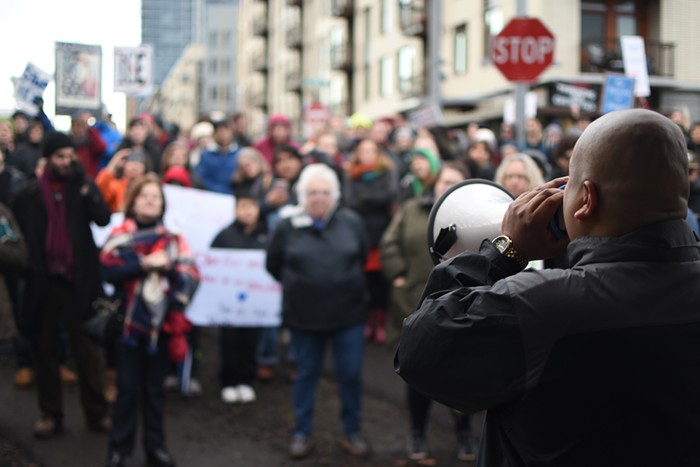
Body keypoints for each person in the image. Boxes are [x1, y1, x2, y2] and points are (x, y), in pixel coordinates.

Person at [395, 108, 700, 467]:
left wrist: (506, 250)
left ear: (586, 199)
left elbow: (421, 351)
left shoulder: (542, 306)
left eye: (568, 183)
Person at [266, 163, 371, 460]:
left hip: (348, 316)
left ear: (335, 195)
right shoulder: (287, 226)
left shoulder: (351, 222)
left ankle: (352, 432)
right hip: (303, 317)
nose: (319, 198)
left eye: (325, 192)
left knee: (350, 375)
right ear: (302, 195)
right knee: (305, 375)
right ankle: (301, 432)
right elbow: (273, 264)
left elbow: (362, 256)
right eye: (313, 192)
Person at [12, 131, 111, 439]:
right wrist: (28, 267)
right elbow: (20, 234)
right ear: (48, 158)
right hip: (44, 282)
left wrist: (87, 188)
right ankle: (50, 414)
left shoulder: (81, 188)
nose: (67, 162)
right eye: (61, 157)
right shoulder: (28, 194)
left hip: (79, 281)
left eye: (71, 156)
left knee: (88, 350)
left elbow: (104, 218)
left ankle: (97, 413)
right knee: (45, 350)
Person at [100, 174, 200, 467]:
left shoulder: (173, 239)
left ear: (162, 204)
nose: (150, 201)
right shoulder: (119, 235)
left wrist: (167, 268)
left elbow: (191, 277)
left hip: (161, 326)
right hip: (128, 325)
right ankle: (119, 449)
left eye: (155, 197)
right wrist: (143, 264)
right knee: (127, 389)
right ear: (133, 201)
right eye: (144, 196)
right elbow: (107, 271)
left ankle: (155, 448)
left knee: (155, 391)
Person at [380, 160, 477, 462]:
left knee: (460, 378)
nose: (445, 186)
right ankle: (417, 433)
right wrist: (399, 275)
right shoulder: (412, 210)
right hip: (415, 303)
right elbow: (389, 243)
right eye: (442, 181)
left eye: (453, 181)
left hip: (462, 309)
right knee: (418, 374)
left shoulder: (476, 218)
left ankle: (463, 433)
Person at [211, 193, 267, 404]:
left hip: (256, 301)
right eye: (243, 207)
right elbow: (212, 263)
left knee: (251, 341)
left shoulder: (265, 235)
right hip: (229, 301)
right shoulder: (225, 235)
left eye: (252, 206)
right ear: (236, 210)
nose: (248, 211)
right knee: (230, 341)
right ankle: (228, 381)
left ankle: (246, 380)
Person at [344, 138, 399, 343]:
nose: (367, 154)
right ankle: (367, 321)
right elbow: (350, 201)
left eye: (371, 150)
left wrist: (364, 197)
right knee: (364, 281)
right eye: (363, 150)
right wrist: (373, 198)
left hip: (382, 234)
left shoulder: (387, 171)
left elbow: (388, 195)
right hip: (360, 234)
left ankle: (381, 322)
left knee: (381, 281)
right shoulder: (351, 173)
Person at [95, 148, 149, 213]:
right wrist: (113, 163)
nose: (135, 165)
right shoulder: (116, 186)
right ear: (124, 165)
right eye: (132, 162)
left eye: (139, 163)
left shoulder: (148, 188)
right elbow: (99, 191)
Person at [195, 119, 240, 194]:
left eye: (226, 130)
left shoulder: (239, 153)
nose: (223, 134)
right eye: (219, 131)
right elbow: (201, 177)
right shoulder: (206, 154)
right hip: (212, 196)